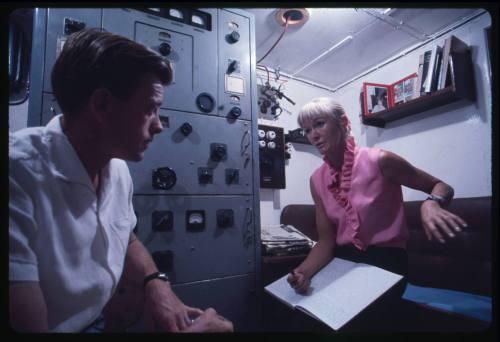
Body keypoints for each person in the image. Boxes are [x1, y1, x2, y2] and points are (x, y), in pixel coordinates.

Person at [9, 28, 233, 333]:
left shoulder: (117, 169)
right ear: (101, 104)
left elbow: (127, 237)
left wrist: (156, 284)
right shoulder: (17, 173)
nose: (159, 127)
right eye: (151, 108)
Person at [287, 97, 467, 328]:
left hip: (387, 261)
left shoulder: (381, 160)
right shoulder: (316, 179)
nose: (313, 135)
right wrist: (304, 273)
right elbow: (326, 241)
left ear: (342, 122)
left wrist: (431, 203)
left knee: (356, 323)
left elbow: (441, 186)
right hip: (344, 260)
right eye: (307, 129)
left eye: (319, 124)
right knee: (302, 319)